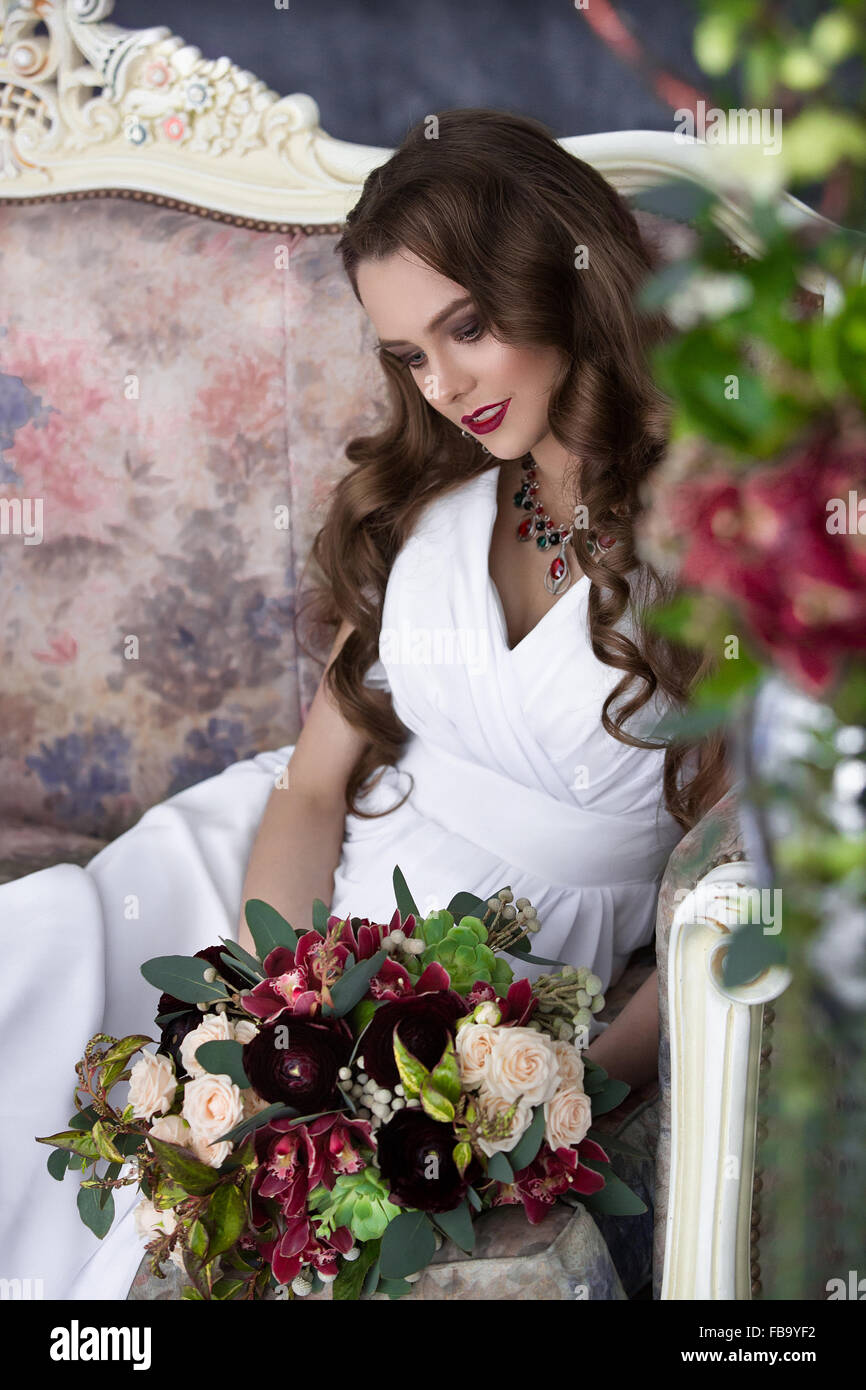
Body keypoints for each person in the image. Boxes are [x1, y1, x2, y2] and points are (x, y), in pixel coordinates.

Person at [0, 108, 728, 1300]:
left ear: (560, 285)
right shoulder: (427, 505)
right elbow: (311, 783)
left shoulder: (717, 538)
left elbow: (734, 890)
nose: (440, 386)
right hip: (252, 898)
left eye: (468, 328)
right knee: (26, 979)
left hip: (478, 1006)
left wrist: (563, 1081)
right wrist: (270, 1001)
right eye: (406, 355)